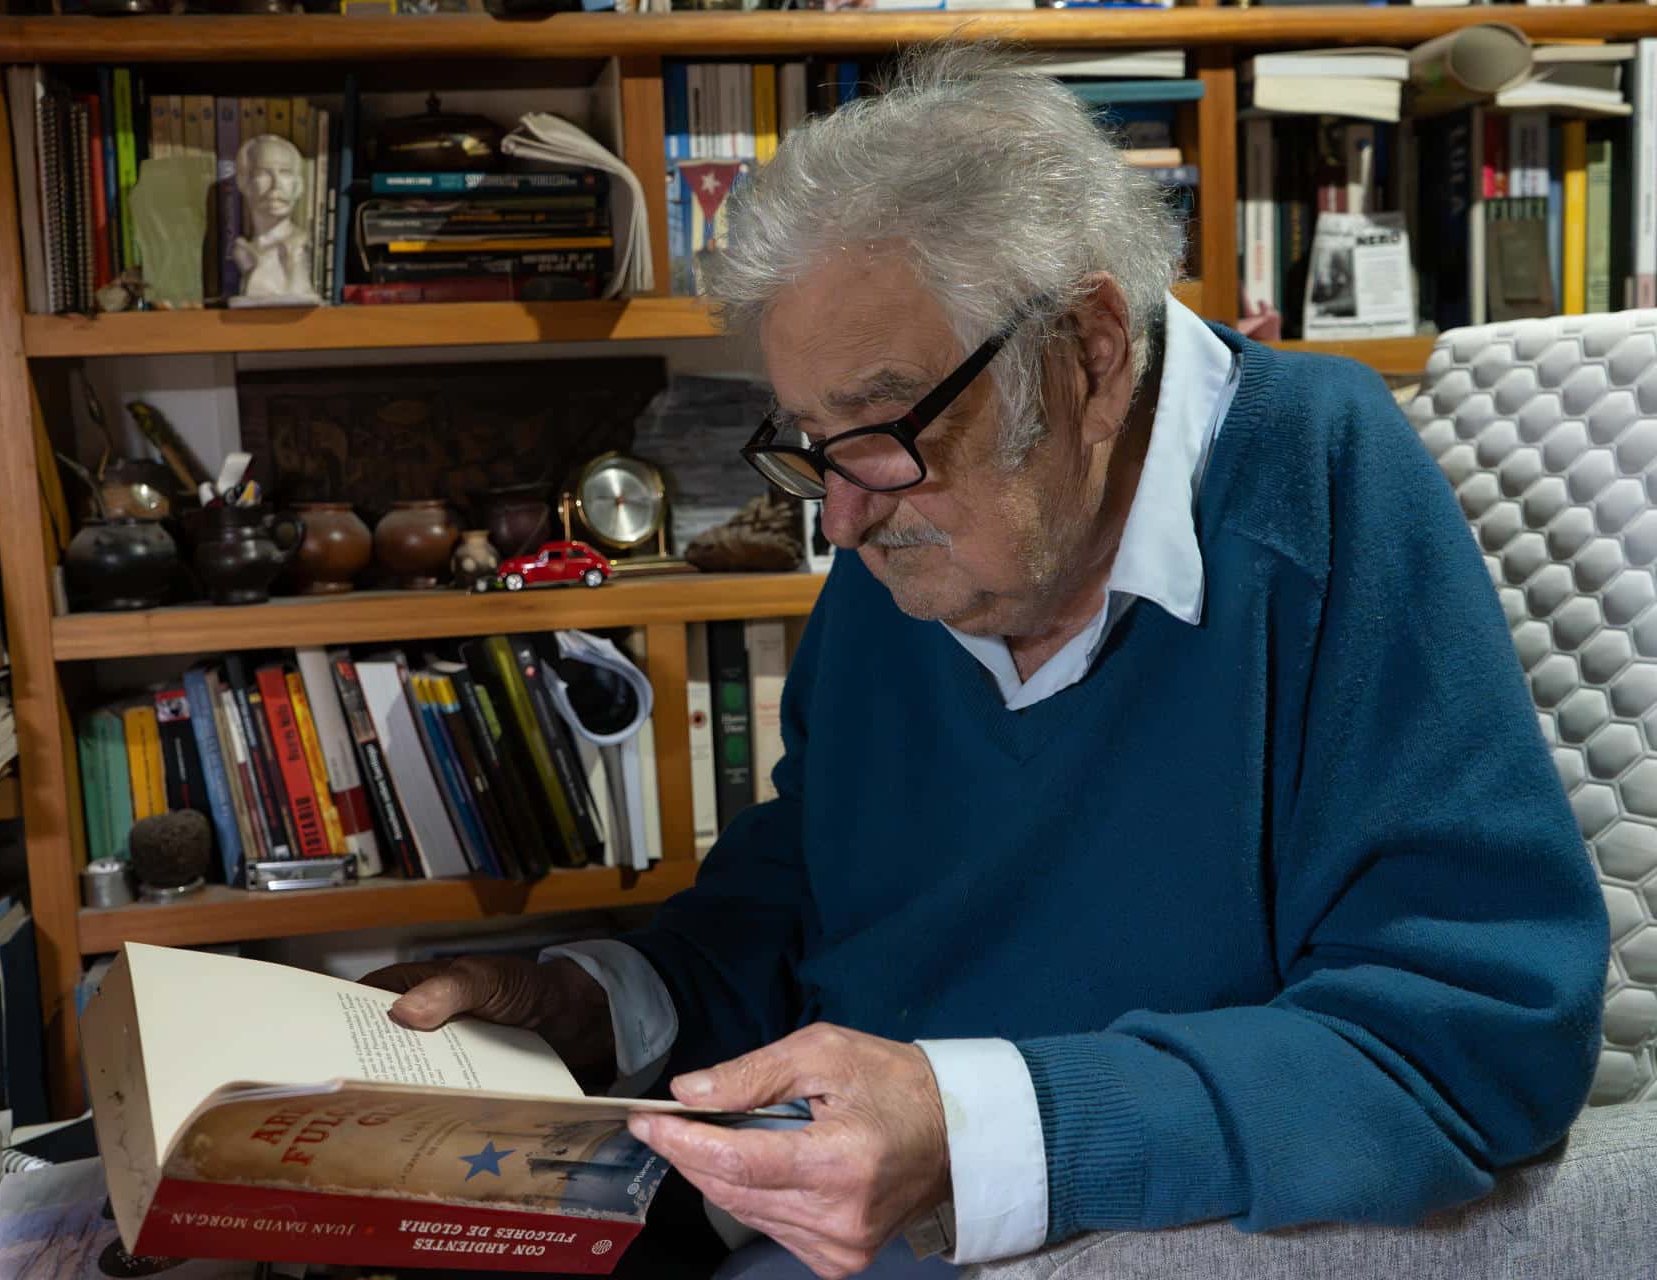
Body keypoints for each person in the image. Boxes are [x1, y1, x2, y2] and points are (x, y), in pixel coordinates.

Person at [363, 42, 1609, 1280]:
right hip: (782, 1214)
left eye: (887, 431)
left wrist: (973, 1125)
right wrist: (592, 996)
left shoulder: (1322, 486)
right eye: (809, 444)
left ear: (1091, 352)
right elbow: (815, 894)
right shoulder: (901, 537)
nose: (839, 522)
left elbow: (1474, 1039)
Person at [232, 132, 317, 303]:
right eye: (263, 173)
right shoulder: (242, 252)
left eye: (285, 173)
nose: (276, 184)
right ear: (244, 183)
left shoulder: (301, 246)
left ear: (298, 186)